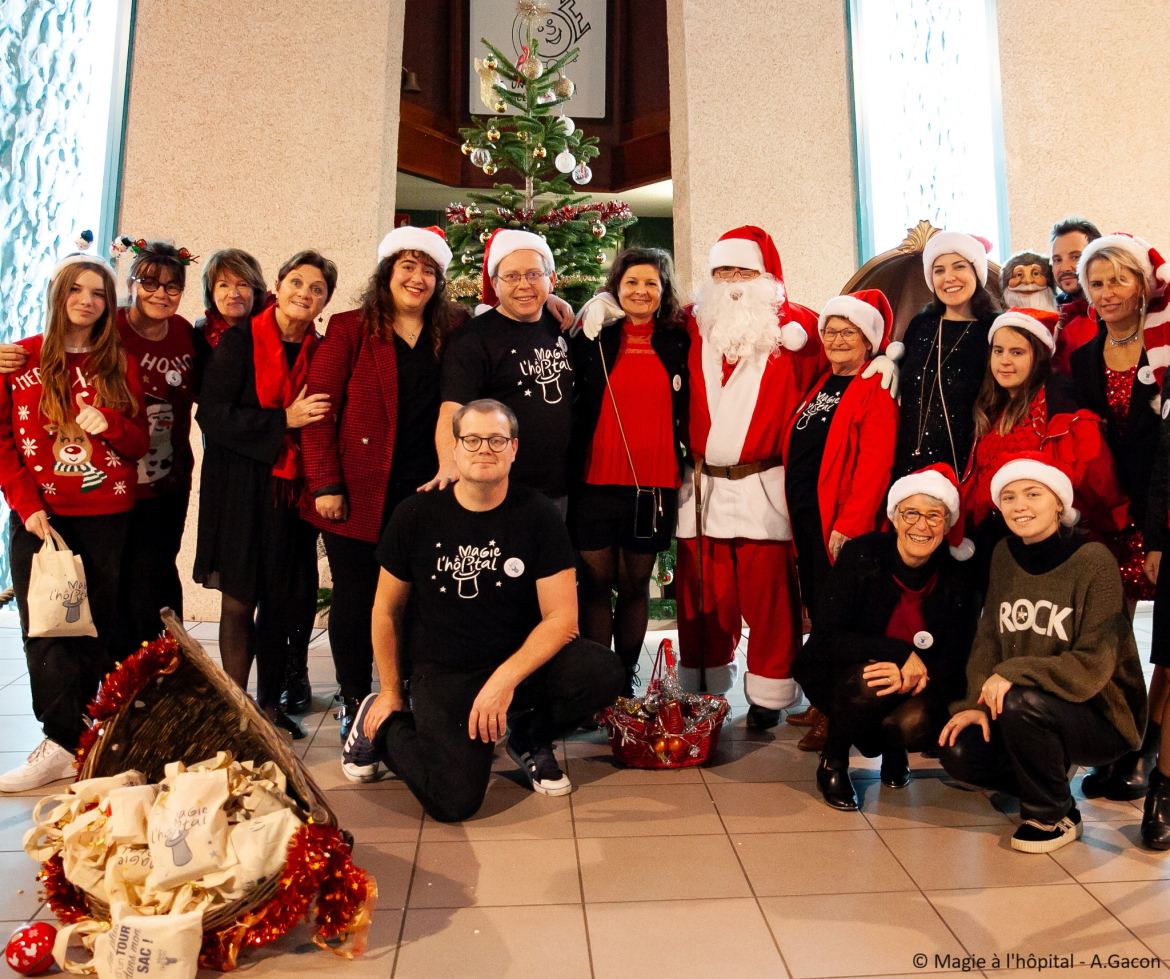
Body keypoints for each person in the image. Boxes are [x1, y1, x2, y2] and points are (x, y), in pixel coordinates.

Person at [341, 399, 622, 821]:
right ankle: (379, 726)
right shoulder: (416, 514)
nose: (483, 449)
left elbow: (563, 620)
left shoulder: (539, 515)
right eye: (471, 440)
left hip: (515, 662)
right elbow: (386, 609)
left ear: (513, 448)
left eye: (496, 440)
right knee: (452, 802)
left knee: (603, 671)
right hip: (445, 672)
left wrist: (503, 683)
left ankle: (529, 736)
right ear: (454, 449)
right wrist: (391, 692)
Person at [673, 226, 897, 728]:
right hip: (703, 487)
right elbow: (637, 313)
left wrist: (884, 363)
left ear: (766, 276)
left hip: (763, 487)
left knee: (770, 598)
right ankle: (703, 689)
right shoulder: (692, 324)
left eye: (744, 272)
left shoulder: (800, 329)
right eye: (723, 272)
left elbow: (850, 347)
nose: (733, 282)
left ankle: (769, 694)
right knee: (705, 595)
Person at [938, 452, 1148, 853]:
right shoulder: (1003, 553)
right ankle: (1046, 772)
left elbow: (1093, 663)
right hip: (1029, 704)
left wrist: (1015, 671)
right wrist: (974, 704)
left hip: (1099, 712)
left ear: (1059, 503)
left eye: (1033, 494)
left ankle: (1054, 814)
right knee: (958, 749)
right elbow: (989, 637)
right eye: (1010, 497)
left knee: (1021, 699)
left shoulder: (1093, 559)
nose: (1020, 506)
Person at [303, 226, 461, 740]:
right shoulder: (351, 328)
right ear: (387, 273)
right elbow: (319, 414)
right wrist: (325, 482)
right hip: (359, 490)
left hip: (428, 492)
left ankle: (408, 692)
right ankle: (354, 697)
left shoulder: (452, 328)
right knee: (355, 598)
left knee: (418, 599)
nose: (417, 278)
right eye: (407, 267)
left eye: (428, 270)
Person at [0, 250, 148, 792]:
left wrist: (107, 420)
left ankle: (94, 740)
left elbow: (137, 444)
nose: (87, 301)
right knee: (45, 631)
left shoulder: (118, 362)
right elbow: (3, 441)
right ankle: (59, 740)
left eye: (98, 293)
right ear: (58, 296)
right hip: (41, 520)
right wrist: (26, 505)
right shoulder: (21, 359)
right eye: (76, 290)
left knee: (96, 629)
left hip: (107, 515)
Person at [193, 250, 336, 740]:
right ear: (277, 284)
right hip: (239, 487)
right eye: (298, 283)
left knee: (281, 604)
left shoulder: (323, 350)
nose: (305, 294)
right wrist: (283, 421)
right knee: (238, 602)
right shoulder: (239, 342)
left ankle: (271, 707)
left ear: (324, 301)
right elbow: (211, 415)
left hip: (292, 494)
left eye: (317, 289)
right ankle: (236, 708)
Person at [793, 464, 978, 810]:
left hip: (923, 680)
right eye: (911, 513)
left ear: (948, 524)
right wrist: (895, 654)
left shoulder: (958, 574)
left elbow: (959, 654)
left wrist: (915, 672)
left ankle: (895, 749)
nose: (921, 526)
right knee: (871, 682)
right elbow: (826, 638)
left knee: (917, 723)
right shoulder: (863, 553)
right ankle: (833, 760)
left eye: (934, 516)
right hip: (846, 672)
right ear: (894, 517)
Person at [568, 247, 689, 696]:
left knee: (636, 584)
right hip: (595, 479)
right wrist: (581, 311)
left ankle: (624, 681)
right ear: (615, 287)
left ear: (663, 290)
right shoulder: (595, 334)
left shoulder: (678, 338)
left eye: (651, 284)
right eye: (631, 283)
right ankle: (599, 685)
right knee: (597, 585)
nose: (641, 291)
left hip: (652, 483)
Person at [962, 307, 1127, 588]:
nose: (1004, 361)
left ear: (1037, 357)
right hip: (993, 541)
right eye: (998, 351)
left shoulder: (1060, 407)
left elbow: (1096, 479)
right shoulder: (990, 406)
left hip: (1044, 546)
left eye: (1017, 352)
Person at [432, 230, 574, 513]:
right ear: (495, 285)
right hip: (499, 490)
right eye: (511, 276)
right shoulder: (472, 340)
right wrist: (449, 466)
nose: (524, 284)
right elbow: (452, 409)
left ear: (552, 279)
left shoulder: (562, 324)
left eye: (534, 274)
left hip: (561, 487)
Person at [111, 240, 198, 655]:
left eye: (171, 286)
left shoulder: (185, 332)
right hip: (114, 479)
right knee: (122, 576)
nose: (161, 293)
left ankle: (169, 663)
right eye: (149, 282)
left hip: (169, 478)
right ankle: (122, 675)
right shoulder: (108, 328)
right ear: (130, 284)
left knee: (160, 569)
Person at [892, 230, 1001, 479]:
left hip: (968, 466)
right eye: (939, 270)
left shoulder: (995, 329)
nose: (949, 277)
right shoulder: (921, 323)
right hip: (908, 460)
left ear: (976, 272)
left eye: (959, 266)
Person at [192, 248, 269, 363]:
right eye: (223, 285)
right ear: (211, 294)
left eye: (242, 284)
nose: (233, 294)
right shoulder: (201, 331)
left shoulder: (272, 329)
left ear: (256, 292)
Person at [1050, 217, 1102, 376]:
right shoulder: (1049, 313)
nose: (1064, 268)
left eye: (1075, 257)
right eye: (1057, 259)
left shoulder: (1115, 312)